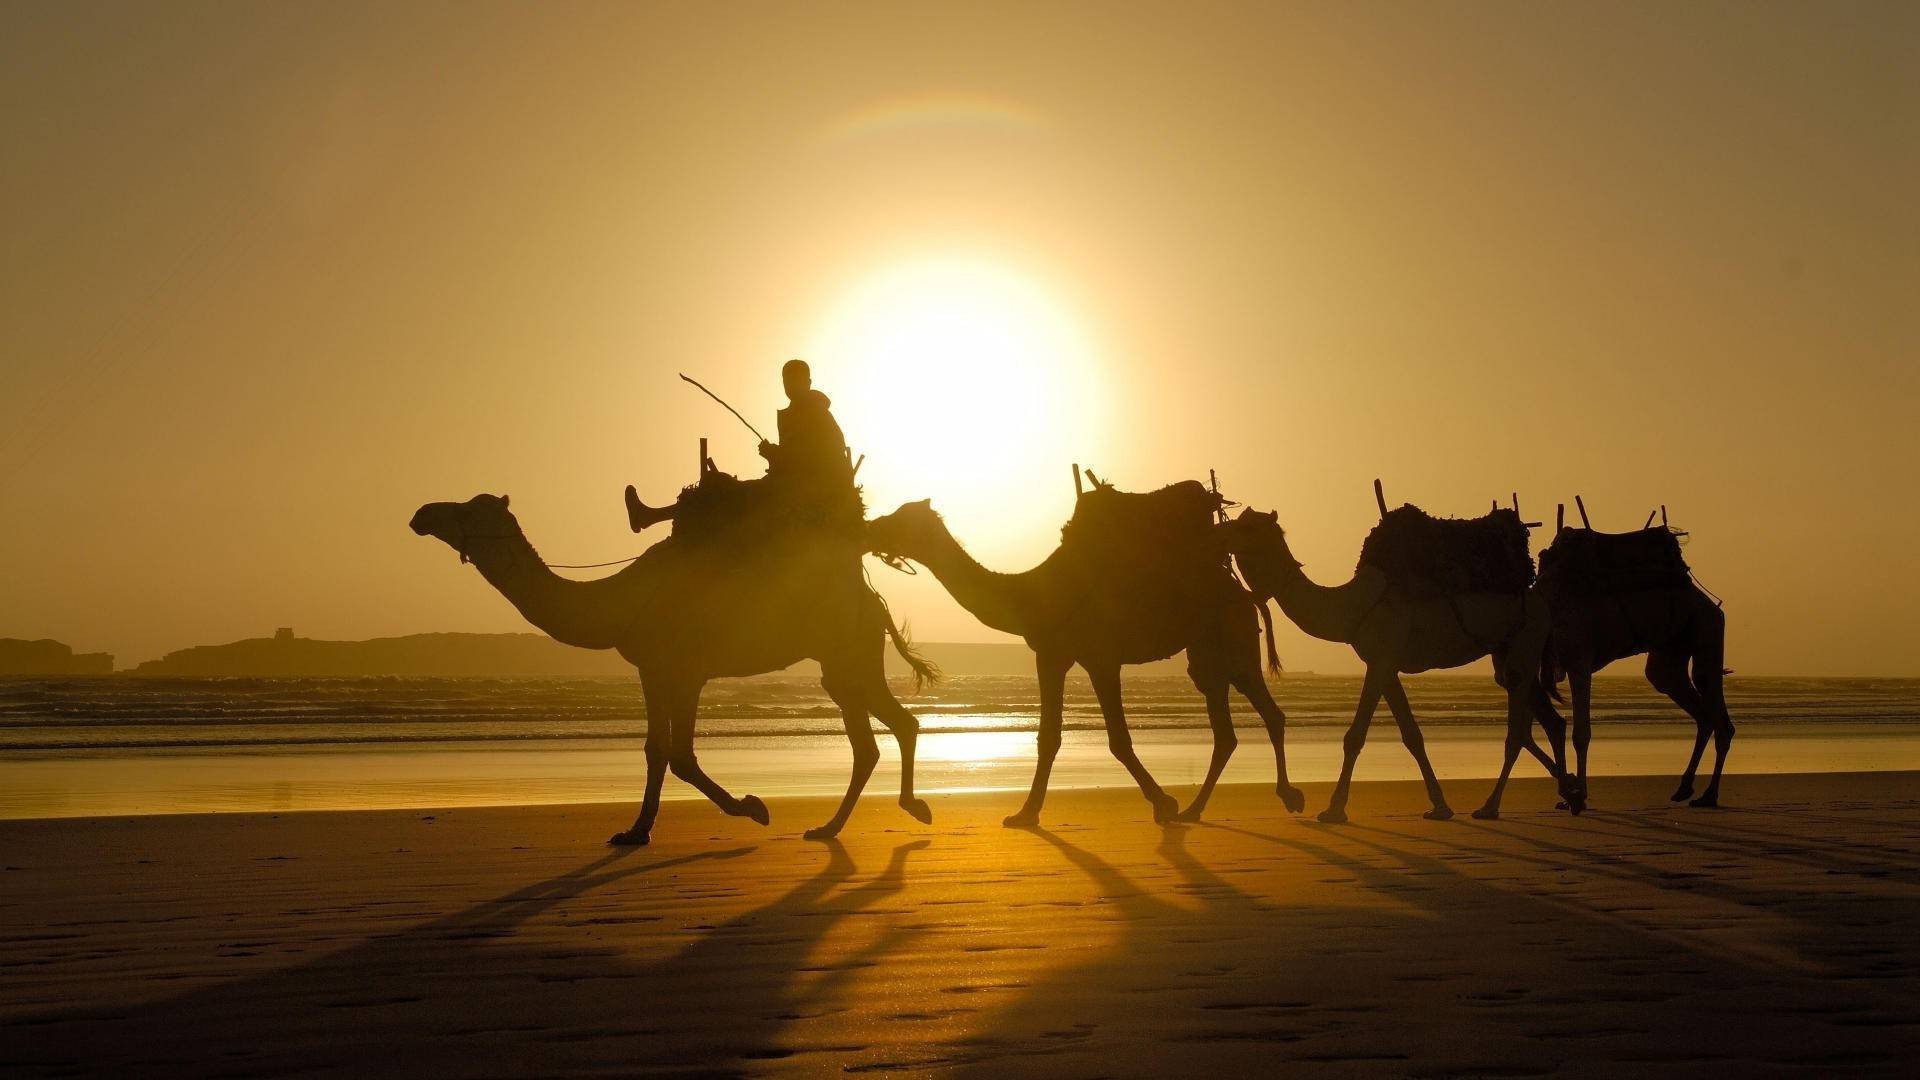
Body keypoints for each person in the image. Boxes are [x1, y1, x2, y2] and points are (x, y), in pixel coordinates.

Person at [624, 359, 855, 533]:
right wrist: (774, 456)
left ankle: (649, 517)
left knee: (722, 490)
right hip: (795, 488)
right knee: (723, 486)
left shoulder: (815, 413)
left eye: (794, 380)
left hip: (807, 493)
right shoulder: (802, 412)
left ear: (807, 382)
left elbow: (815, 458)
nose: (789, 386)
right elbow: (798, 457)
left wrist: (776, 455)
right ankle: (649, 517)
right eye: (786, 381)